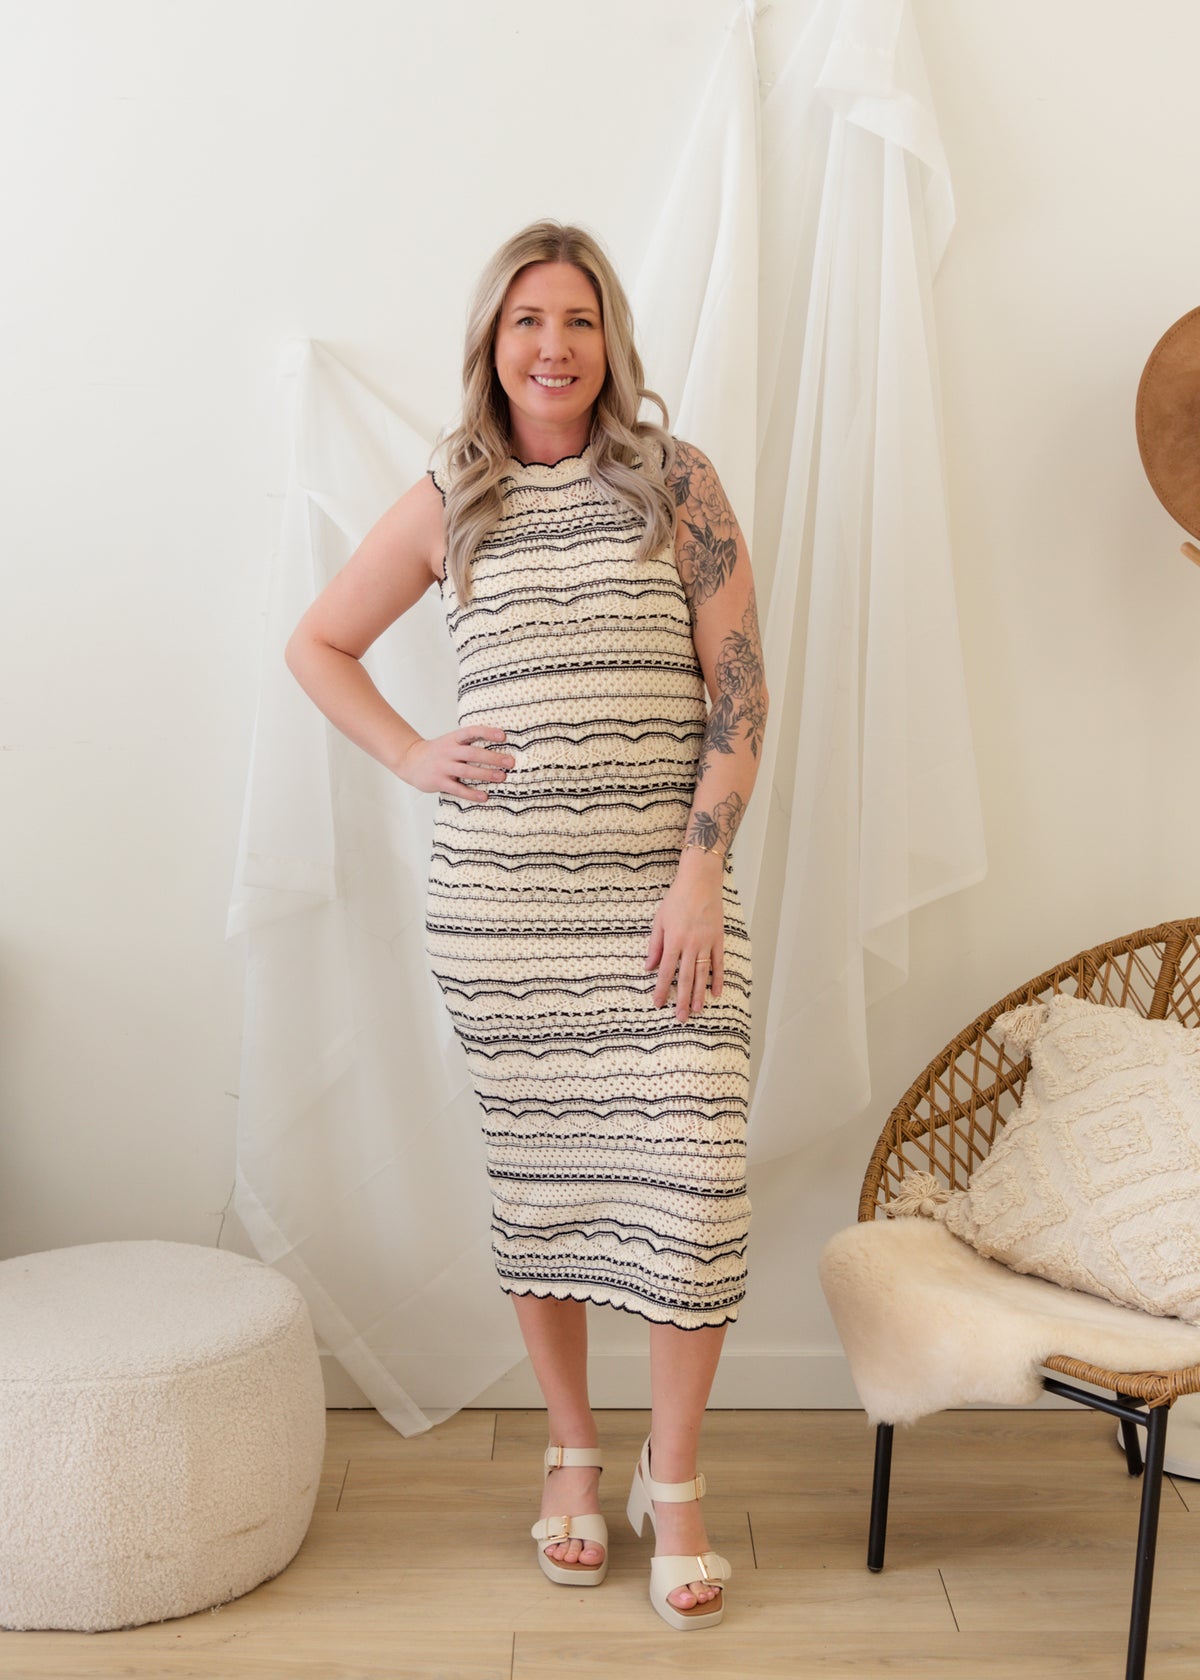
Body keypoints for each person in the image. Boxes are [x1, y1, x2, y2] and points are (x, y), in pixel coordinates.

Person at [285, 219, 768, 1632]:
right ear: (491, 345)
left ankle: (673, 1479)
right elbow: (318, 642)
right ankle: (571, 1449)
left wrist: (699, 876)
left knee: (692, 1183)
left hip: (662, 907)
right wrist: (409, 751)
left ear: (610, 339)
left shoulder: (677, 482)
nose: (553, 347)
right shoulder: (453, 493)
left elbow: (741, 698)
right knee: (542, 1185)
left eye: (577, 320)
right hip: (505, 915)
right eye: (526, 322)